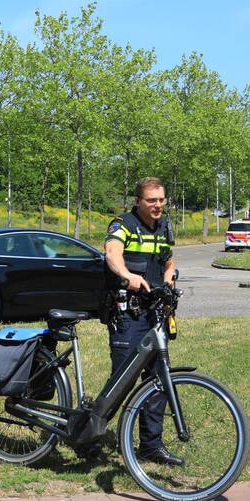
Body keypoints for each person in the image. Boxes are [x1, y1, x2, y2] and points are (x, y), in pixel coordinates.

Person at [103, 176, 181, 466]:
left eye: (161, 199)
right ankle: (92, 432)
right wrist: (128, 276)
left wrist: (168, 277)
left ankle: (151, 445)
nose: (158, 204)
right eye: (152, 200)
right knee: (122, 381)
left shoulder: (162, 227)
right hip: (128, 314)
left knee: (159, 379)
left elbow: (168, 261)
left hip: (154, 312)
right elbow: (112, 254)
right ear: (138, 202)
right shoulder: (123, 224)